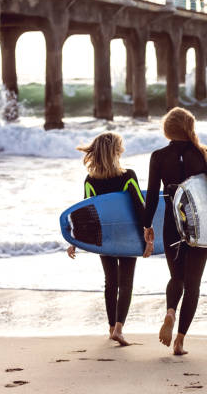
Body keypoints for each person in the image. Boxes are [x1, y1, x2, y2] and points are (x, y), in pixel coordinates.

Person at [143, 107, 207, 355]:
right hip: (200, 226)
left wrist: (147, 225)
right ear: (190, 128)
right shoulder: (203, 154)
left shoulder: (158, 156)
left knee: (176, 277)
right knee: (193, 284)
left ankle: (170, 312)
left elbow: (151, 196)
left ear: (167, 130)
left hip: (172, 223)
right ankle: (179, 341)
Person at [67, 132, 152, 346]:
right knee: (126, 283)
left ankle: (111, 328)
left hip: (104, 238)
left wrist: (75, 239)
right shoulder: (128, 176)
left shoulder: (91, 181)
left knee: (110, 283)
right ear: (115, 152)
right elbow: (140, 208)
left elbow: (86, 215)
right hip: (127, 236)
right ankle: (120, 329)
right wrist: (148, 235)